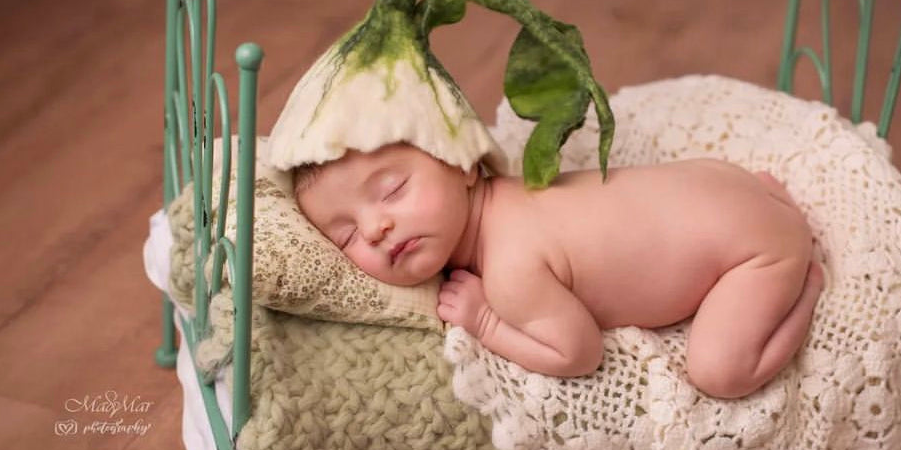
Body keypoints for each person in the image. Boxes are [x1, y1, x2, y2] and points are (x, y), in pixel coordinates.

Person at [293, 141, 824, 400]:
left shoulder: (510, 269)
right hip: (723, 185)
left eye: (391, 190)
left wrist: (487, 324)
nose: (377, 226)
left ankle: (804, 278)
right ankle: (769, 201)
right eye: (347, 236)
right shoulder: (524, 189)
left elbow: (578, 353)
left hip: (754, 253)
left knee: (718, 374)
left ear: (463, 163)